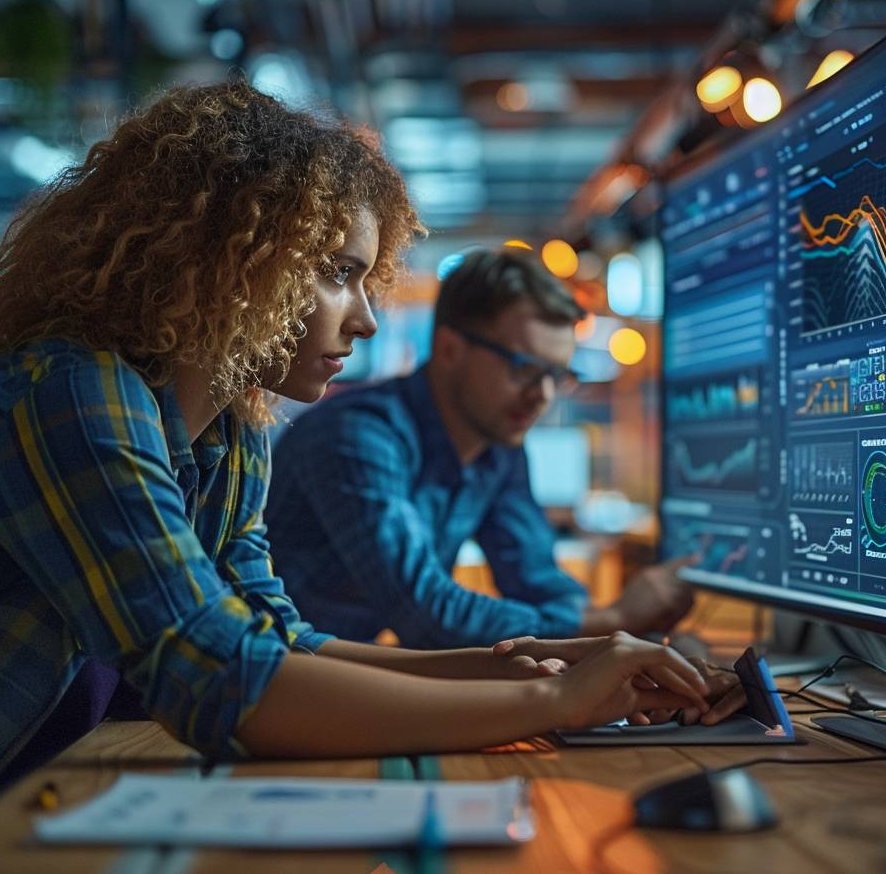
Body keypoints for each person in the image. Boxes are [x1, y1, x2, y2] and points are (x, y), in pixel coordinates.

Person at [0, 81, 720, 860]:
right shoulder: (72, 394)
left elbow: (282, 641)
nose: (364, 318)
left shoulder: (229, 437)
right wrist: (553, 703)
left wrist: (544, 663)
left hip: (15, 813)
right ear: (222, 263)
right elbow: (218, 680)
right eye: (335, 275)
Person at [264, 247, 696, 649]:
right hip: (282, 676)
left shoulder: (498, 444)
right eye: (526, 369)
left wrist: (626, 642)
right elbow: (427, 612)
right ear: (451, 348)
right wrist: (611, 622)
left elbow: (536, 577)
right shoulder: (356, 435)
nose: (543, 395)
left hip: (359, 671)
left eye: (558, 375)